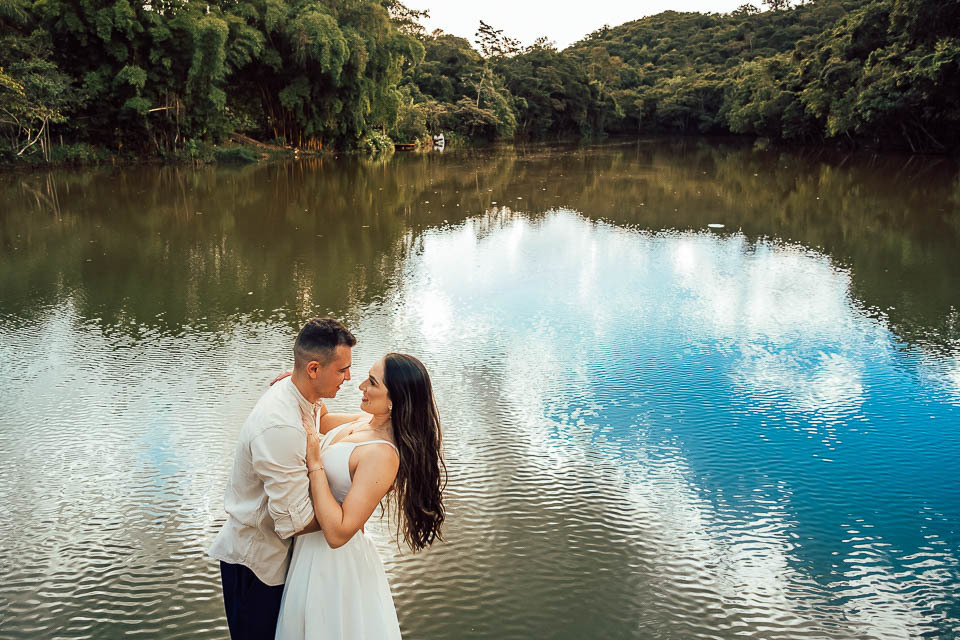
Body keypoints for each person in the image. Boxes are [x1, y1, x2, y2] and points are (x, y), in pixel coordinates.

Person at [274, 353, 446, 640]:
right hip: (309, 552)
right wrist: (304, 384)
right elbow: (322, 420)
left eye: (372, 382)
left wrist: (315, 463)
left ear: (394, 400)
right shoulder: (365, 421)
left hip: (333, 566)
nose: (361, 385)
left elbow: (338, 533)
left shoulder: (383, 454)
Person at [208, 318, 356, 640]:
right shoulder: (280, 426)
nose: (349, 377)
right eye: (342, 370)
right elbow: (295, 522)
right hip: (258, 567)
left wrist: (384, 422)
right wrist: (353, 514)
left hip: (283, 559)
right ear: (314, 369)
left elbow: (323, 422)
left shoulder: (302, 392)